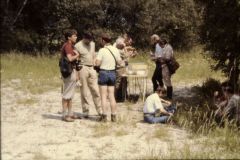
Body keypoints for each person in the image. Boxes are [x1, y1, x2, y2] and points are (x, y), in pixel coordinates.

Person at [95, 33, 123, 122]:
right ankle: (114, 116)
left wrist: (95, 62)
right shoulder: (115, 50)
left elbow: (98, 64)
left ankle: (104, 116)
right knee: (111, 96)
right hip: (112, 73)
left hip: (103, 73)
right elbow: (119, 63)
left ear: (103, 41)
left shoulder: (102, 50)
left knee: (103, 96)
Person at [74, 31, 102, 118]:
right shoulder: (77, 46)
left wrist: (95, 64)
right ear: (84, 38)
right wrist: (77, 75)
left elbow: (94, 55)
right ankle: (85, 111)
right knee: (84, 91)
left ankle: (99, 110)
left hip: (92, 68)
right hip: (83, 68)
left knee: (96, 90)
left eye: (91, 40)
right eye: (88, 40)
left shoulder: (93, 44)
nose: (89, 41)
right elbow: (76, 61)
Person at [61, 29, 80, 122]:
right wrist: (77, 55)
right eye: (74, 36)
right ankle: (65, 115)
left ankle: (70, 113)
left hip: (71, 71)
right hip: (68, 72)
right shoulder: (68, 46)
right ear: (69, 37)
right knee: (66, 95)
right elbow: (70, 59)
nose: (76, 37)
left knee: (70, 95)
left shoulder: (71, 46)